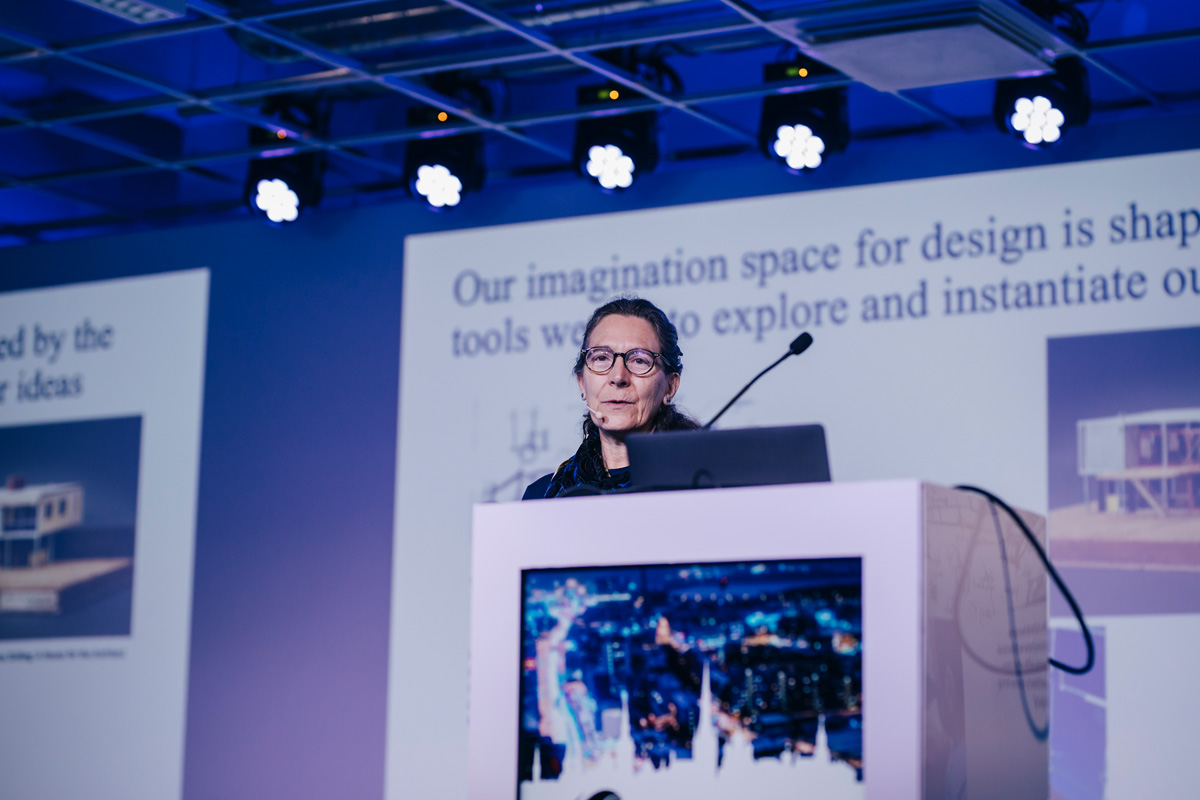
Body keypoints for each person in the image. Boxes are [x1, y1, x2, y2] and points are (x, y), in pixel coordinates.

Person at [524, 297, 700, 500]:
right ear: (582, 382)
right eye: (601, 358)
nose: (618, 377)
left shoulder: (703, 486)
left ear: (670, 386)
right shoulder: (542, 496)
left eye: (639, 360)